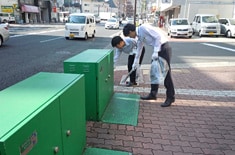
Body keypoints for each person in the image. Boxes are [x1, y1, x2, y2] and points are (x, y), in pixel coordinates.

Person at [123, 23, 175, 107]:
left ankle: (170, 97)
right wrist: (135, 62)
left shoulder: (143, 28)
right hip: (157, 49)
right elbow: (139, 49)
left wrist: (155, 51)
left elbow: (157, 36)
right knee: (154, 72)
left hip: (163, 48)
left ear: (131, 31)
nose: (130, 37)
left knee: (166, 74)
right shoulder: (139, 37)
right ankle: (153, 94)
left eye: (129, 35)